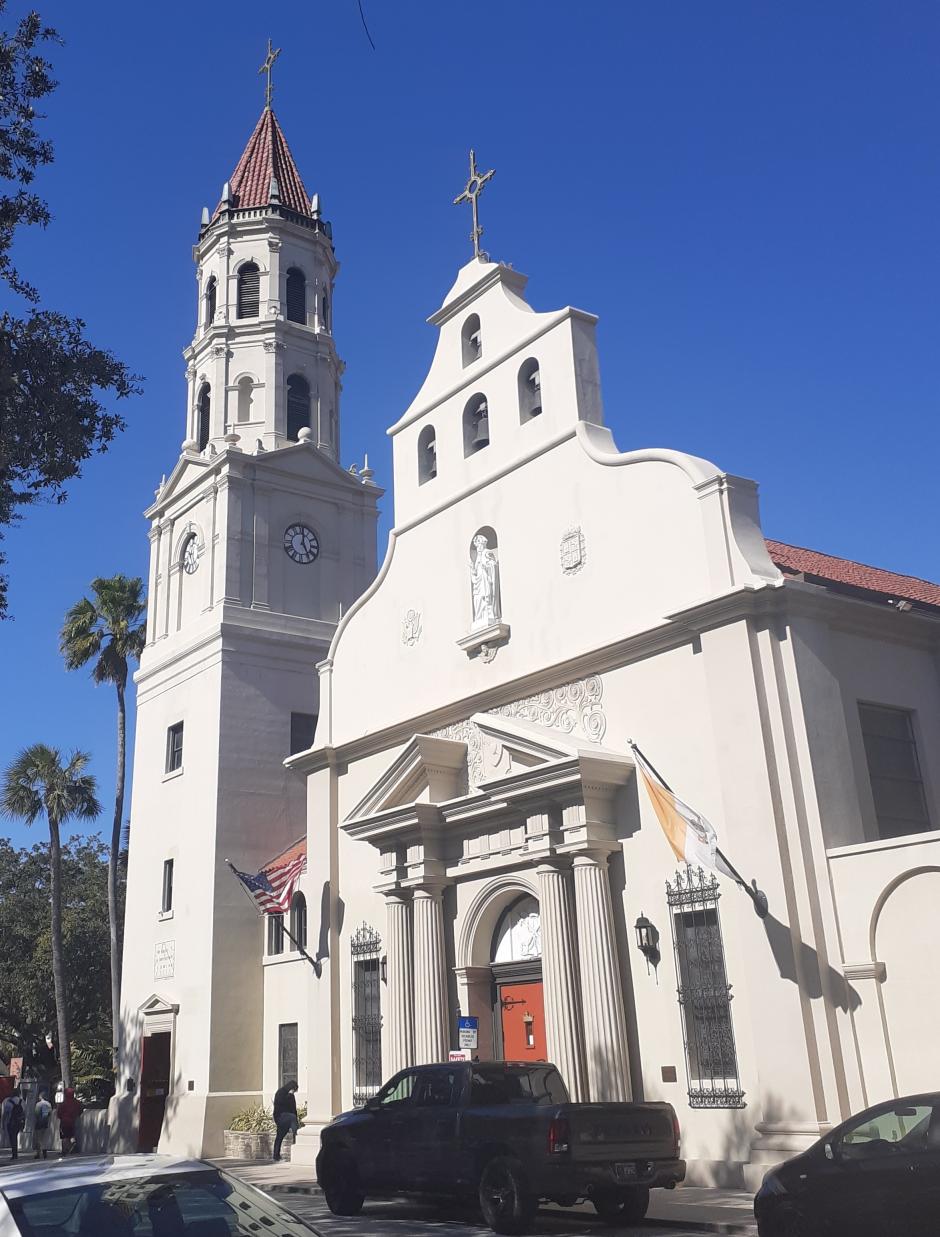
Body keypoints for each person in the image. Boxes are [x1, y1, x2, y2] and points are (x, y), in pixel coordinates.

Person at [271, 1080, 298, 1162]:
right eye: (294, 1089)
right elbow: (280, 1104)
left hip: (288, 1118)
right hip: (280, 1116)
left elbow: (293, 1109)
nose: (294, 1092)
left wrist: (296, 1121)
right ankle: (295, 1138)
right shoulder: (280, 1093)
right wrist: (289, 1095)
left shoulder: (291, 1096)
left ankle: (276, 1155)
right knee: (280, 1135)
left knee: (280, 1136)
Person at [1, 1087, 26, 1161]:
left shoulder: (7, 1101)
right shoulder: (22, 1101)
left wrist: (3, 1123)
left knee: (12, 1138)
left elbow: (4, 1114)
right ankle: (15, 1153)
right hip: (19, 1122)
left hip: (10, 1122)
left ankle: (14, 1154)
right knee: (15, 1136)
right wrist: (23, 1123)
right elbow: (24, 1113)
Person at [57, 1087, 83, 1155]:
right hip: (73, 1121)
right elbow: (81, 1110)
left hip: (64, 1122)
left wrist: (61, 1117)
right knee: (72, 1134)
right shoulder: (77, 1102)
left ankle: (64, 1150)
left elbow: (59, 1113)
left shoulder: (63, 1103)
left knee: (64, 1136)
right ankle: (73, 1143)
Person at [33, 1090, 53, 1160]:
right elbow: (50, 1113)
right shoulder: (48, 1104)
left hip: (39, 1123)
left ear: (41, 1096)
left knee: (39, 1139)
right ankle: (45, 1152)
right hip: (46, 1123)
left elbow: (36, 1114)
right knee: (44, 1138)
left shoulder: (38, 1104)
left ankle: (38, 1153)